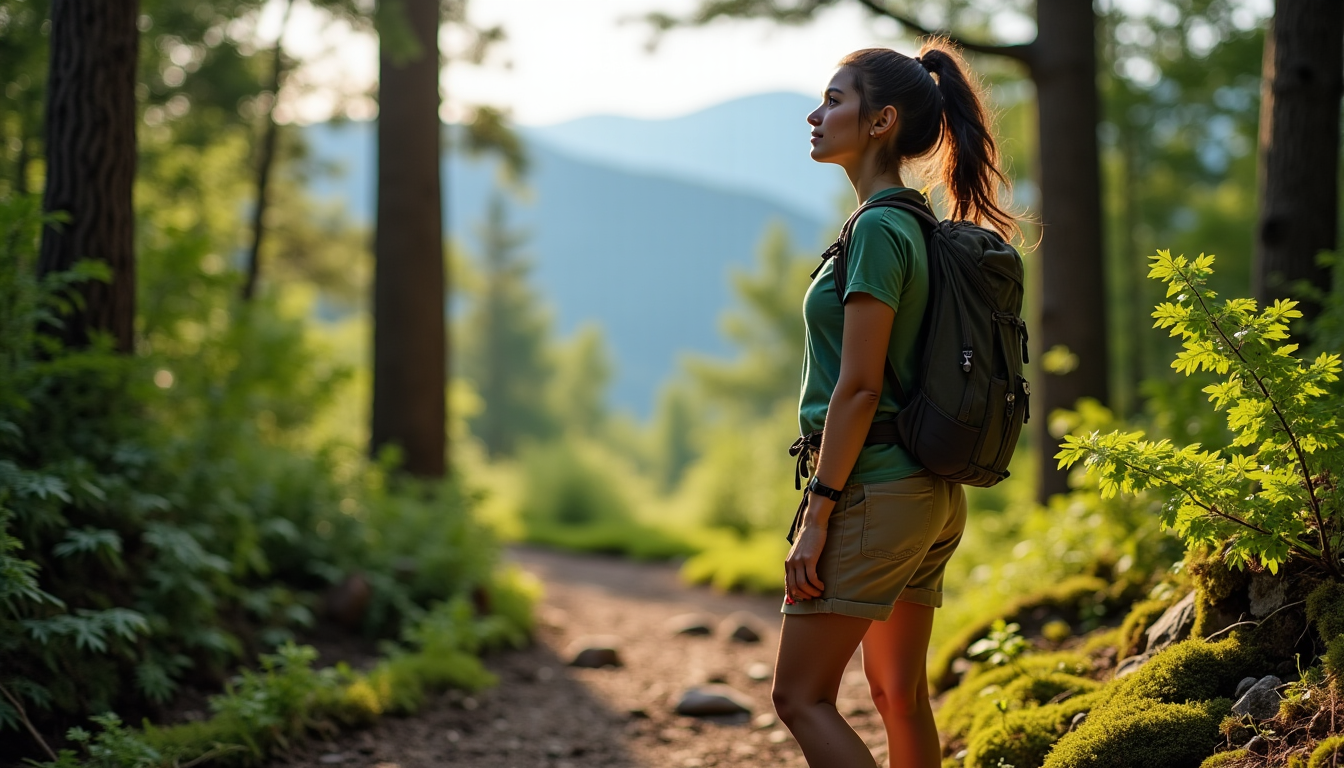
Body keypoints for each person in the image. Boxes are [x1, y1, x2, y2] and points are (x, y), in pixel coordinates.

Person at [771, 41, 1020, 768]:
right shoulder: (911, 224)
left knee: (801, 697)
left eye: (835, 100)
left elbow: (859, 386)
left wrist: (817, 514)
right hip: (928, 495)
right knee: (898, 698)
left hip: (876, 489)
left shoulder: (879, 230)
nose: (816, 116)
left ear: (881, 121)